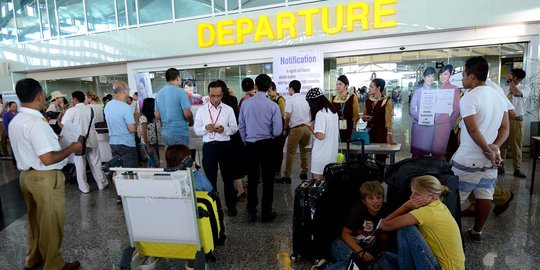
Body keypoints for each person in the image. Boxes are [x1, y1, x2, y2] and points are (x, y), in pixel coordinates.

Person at [9, 78, 82, 270]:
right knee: (51, 222)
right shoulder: (36, 122)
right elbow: (48, 158)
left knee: (35, 221)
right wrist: (72, 147)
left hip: (26, 176)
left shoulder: (17, 120)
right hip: (44, 178)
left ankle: (33, 259)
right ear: (40, 96)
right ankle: (53, 264)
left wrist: (55, 139)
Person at [451, 56, 509, 242]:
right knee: (485, 193)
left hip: (468, 157)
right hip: (490, 159)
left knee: (453, 198)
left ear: (473, 76)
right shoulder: (498, 96)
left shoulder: (470, 98)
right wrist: (494, 148)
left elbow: (473, 129)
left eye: (464, 74)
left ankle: (450, 237)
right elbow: (505, 128)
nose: (462, 78)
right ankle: (477, 231)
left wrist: (487, 149)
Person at [380, 175, 465, 269]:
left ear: (433, 197)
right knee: (385, 257)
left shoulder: (426, 213)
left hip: (442, 268)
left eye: (417, 194)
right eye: (412, 192)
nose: (411, 197)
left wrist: (406, 206)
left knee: (406, 228)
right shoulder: (439, 205)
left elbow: (384, 225)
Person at [315, 181, 397, 270]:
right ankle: (323, 268)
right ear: (363, 200)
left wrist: (378, 250)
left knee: (365, 264)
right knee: (355, 263)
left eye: (379, 197)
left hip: (364, 246)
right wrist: (360, 252)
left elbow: (383, 240)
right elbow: (345, 234)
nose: (376, 201)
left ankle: (329, 264)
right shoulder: (357, 211)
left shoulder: (386, 210)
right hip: (341, 243)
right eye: (371, 198)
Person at [238, 74, 282, 223]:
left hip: (250, 145)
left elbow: (241, 126)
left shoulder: (245, 104)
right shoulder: (273, 106)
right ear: (270, 87)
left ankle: (251, 212)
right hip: (267, 144)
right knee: (268, 180)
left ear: (255, 86)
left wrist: (246, 141)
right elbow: (277, 131)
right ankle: (266, 212)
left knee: (252, 179)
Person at [194, 81, 239, 216]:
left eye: (219, 95)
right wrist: (206, 128)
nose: (216, 99)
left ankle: (231, 206)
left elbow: (234, 128)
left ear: (222, 94)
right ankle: (213, 206)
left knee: (228, 178)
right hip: (209, 147)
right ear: (209, 94)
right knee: (210, 178)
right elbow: (196, 130)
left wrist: (224, 129)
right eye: (213, 95)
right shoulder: (202, 110)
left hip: (225, 146)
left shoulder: (228, 109)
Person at [59, 91, 109, 193]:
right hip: (92, 138)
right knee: (95, 162)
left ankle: (84, 188)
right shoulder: (91, 109)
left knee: (80, 164)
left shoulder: (71, 111)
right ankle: (102, 183)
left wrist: (58, 122)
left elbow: (65, 126)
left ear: (75, 99)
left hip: (78, 141)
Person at [216, 80, 246, 200]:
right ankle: (239, 189)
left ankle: (239, 190)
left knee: (229, 165)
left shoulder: (221, 103)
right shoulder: (233, 99)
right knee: (235, 164)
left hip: (225, 137)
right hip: (236, 135)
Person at [305, 87, 339, 181]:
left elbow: (320, 136)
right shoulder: (333, 112)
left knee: (318, 184)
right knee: (329, 184)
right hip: (331, 154)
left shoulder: (320, 114)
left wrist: (311, 128)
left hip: (321, 155)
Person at [281, 80, 311, 183]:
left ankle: (287, 175)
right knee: (304, 151)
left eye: (289, 88)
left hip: (296, 129)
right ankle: (304, 171)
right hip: (307, 128)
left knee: (290, 152)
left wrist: (285, 128)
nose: (288, 90)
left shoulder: (290, 100)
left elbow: (288, 116)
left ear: (292, 88)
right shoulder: (305, 99)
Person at [500, 68, 528, 178]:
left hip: (516, 120)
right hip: (504, 119)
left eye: (510, 75)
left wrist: (511, 82)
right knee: (502, 144)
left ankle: (517, 169)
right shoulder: (504, 89)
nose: (507, 75)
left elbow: (516, 93)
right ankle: (500, 166)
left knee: (516, 145)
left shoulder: (525, 88)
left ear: (515, 77)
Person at [155, 68, 193, 146]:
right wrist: (191, 121)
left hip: (166, 133)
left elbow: (157, 116)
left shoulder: (159, 94)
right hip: (180, 133)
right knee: (182, 157)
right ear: (178, 78)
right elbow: (187, 114)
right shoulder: (181, 92)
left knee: (171, 157)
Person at [104, 81, 138, 168]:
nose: (129, 92)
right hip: (126, 144)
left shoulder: (108, 106)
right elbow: (131, 129)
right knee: (130, 172)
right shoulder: (125, 107)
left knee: (117, 170)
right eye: (128, 89)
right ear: (123, 91)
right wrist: (136, 119)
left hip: (113, 143)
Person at [362, 78, 394, 164]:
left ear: (378, 88)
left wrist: (389, 134)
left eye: (371, 86)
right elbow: (364, 115)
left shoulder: (387, 101)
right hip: (369, 133)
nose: (369, 88)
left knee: (380, 159)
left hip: (381, 133)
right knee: (365, 157)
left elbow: (389, 119)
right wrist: (364, 118)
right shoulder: (368, 101)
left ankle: (380, 176)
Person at [267, 81, 288, 182]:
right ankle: (273, 169)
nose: (268, 93)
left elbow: (282, 115)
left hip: (280, 128)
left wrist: (284, 129)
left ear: (274, 90)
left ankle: (277, 171)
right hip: (271, 129)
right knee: (272, 150)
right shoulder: (269, 99)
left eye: (270, 91)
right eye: (267, 91)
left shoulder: (280, 100)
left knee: (278, 150)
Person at [331, 75, 360, 141]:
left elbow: (355, 115)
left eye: (340, 84)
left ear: (346, 86)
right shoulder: (334, 98)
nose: (338, 86)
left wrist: (354, 129)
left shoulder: (352, 97)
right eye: (337, 84)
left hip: (349, 128)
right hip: (336, 128)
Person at [138, 98, 159, 168]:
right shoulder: (143, 117)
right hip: (148, 143)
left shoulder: (151, 116)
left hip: (153, 142)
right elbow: (143, 132)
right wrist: (148, 146)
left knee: (152, 161)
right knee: (155, 163)